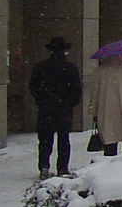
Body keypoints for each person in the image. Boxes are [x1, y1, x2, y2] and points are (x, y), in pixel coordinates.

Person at [29, 37, 83, 178]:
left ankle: (44, 166)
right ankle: (62, 168)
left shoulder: (41, 67)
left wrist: (41, 100)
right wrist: (70, 103)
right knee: (63, 139)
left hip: (46, 108)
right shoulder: (71, 68)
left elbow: (34, 87)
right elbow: (77, 90)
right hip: (64, 108)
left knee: (45, 140)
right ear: (65, 51)